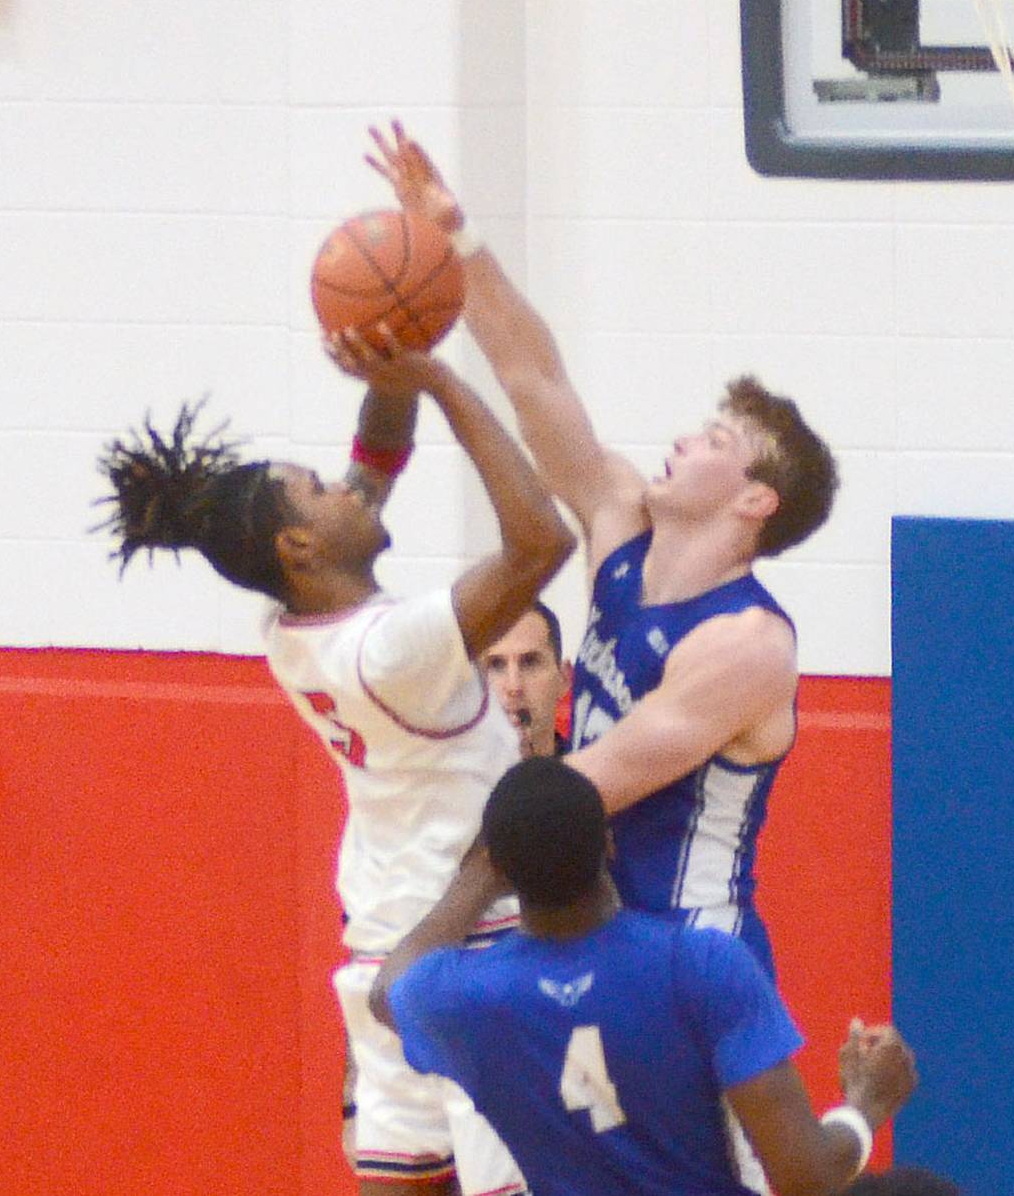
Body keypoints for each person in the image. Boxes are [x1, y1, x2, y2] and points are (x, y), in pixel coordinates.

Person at [97, 332, 575, 1196]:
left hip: (379, 951)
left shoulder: (291, 631)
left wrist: (387, 367)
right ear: (299, 548)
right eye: (317, 491)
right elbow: (541, 540)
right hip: (472, 947)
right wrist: (438, 378)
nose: (345, 485)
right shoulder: (391, 649)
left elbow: (376, 459)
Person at [367, 121, 840, 977]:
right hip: (597, 938)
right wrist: (455, 239)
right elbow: (533, 378)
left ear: (753, 498)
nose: (683, 440)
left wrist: (435, 881)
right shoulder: (620, 522)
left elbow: (589, 787)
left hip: (692, 953)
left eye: (715, 438)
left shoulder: (747, 643)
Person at [381, 757, 919, 1196]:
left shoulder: (466, 997)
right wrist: (866, 1106)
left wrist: (479, 877)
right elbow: (806, 1177)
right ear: (609, 842)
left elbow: (387, 990)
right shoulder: (701, 965)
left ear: (502, 869)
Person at [479, 600, 573, 757]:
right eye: (496, 664)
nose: (514, 687)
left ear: (564, 678)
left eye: (530, 662)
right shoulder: (443, 778)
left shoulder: (593, 777)